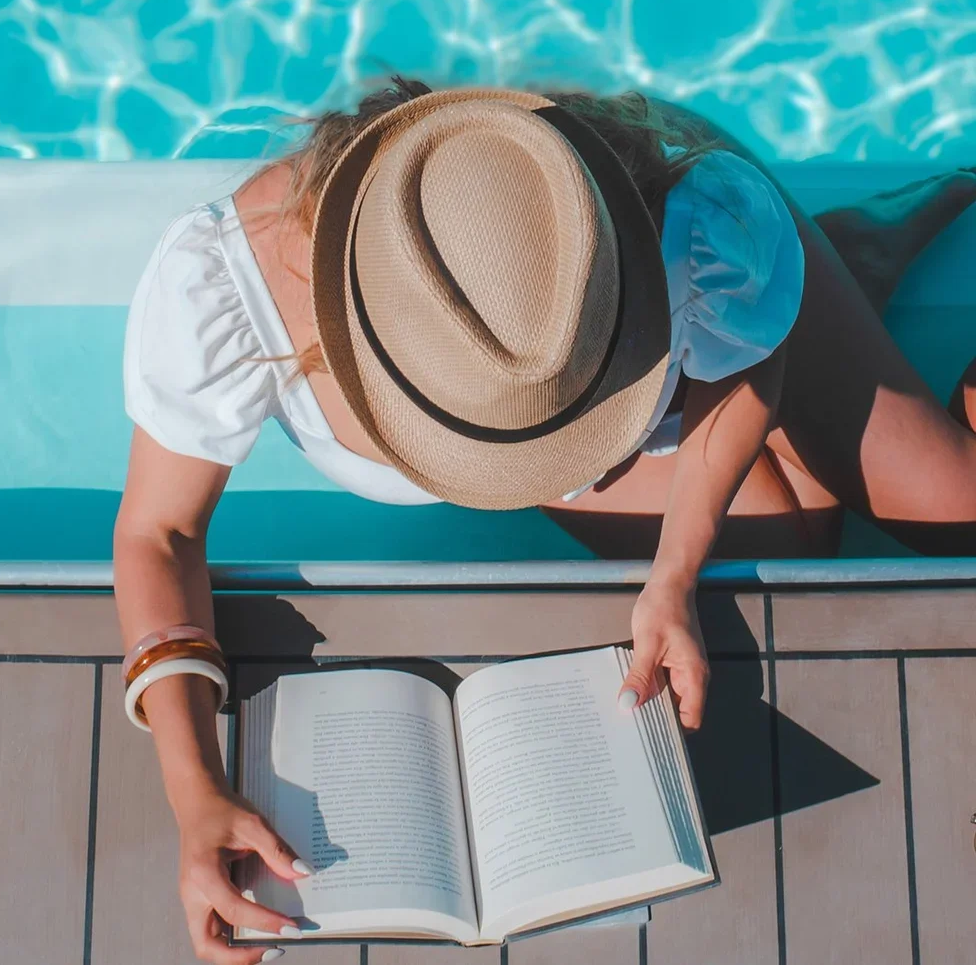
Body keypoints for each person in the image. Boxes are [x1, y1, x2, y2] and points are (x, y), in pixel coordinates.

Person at [114, 81, 976, 965]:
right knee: (801, 544)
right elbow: (159, 534)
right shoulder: (231, 282)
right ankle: (837, 273)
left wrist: (676, 571)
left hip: (696, 279)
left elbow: (744, 371)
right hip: (650, 354)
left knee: (961, 514)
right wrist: (193, 786)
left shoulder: (679, 212)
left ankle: (811, 276)